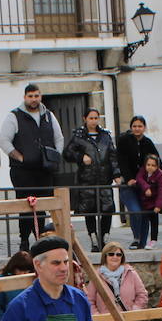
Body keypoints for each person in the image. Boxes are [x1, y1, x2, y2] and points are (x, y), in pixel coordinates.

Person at [0, 83, 65, 250]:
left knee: (42, 206)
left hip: (44, 169)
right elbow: (3, 140)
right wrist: (19, 157)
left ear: (40, 96)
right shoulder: (14, 116)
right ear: (25, 97)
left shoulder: (49, 115)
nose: (34, 99)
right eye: (30, 96)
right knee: (25, 206)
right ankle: (23, 240)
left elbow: (59, 138)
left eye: (36, 95)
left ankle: (40, 237)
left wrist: (55, 156)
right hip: (22, 171)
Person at [62, 108, 121, 252]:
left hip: (104, 178)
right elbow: (67, 153)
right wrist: (81, 157)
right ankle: (93, 238)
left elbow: (112, 156)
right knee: (89, 210)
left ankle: (105, 237)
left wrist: (116, 174)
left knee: (107, 208)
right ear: (85, 119)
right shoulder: (79, 136)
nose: (94, 121)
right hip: (87, 179)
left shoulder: (105, 136)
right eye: (91, 118)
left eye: (96, 118)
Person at [116, 116, 162, 250]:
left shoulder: (147, 142)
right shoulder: (124, 141)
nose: (137, 129)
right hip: (129, 184)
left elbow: (158, 162)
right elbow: (122, 161)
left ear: (144, 128)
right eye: (134, 126)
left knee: (145, 213)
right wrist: (129, 178)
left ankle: (142, 244)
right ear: (131, 127)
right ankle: (136, 239)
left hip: (144, 185)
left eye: (140, 126)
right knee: (136, 211)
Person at [134, 154, 162, 248]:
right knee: (151, 216)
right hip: (149, 201)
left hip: (161, 199)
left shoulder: (160, 174)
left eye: (153, 165)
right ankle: (148, 241)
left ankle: (153, 240)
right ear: (145, 165)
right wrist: (146, 188)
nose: (150, 167)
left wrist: (158, 205)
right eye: (148, 165)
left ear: (157, 166)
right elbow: (139, 179)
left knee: (159, 212)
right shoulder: (142, 171)